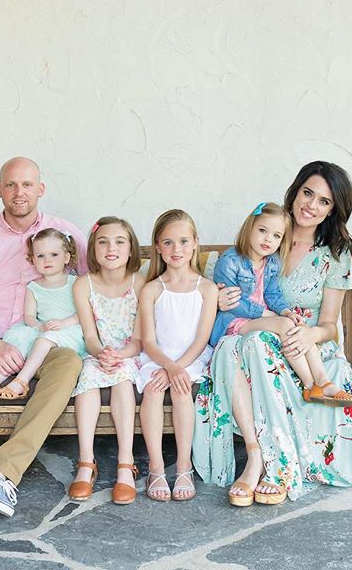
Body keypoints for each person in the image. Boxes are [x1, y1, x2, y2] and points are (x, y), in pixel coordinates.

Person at [193, 161, 352, 507]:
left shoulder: (334, 255)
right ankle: (263, 460)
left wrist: (310, 335)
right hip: (254, 338)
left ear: (332, 210)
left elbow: (330, 326)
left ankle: (273, 460)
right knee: (248, 343)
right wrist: (216, 299)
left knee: (256, 343)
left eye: (324, 201)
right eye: (307, 193)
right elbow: (230, 287)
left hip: (304, 345)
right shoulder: (269, 234)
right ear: (295, 192)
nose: (311, 205)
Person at [0, 157, 87, 530]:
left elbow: (92, 288)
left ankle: (3, 473)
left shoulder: (66, 234)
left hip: (47, 339)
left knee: (69, 364)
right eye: (10, 184)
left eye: (27, 184)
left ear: (41, 189)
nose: (19, 192)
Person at [210, 202, 352, 420]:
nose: (268, 239)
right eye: (262, 231)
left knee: (298, 326)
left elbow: (273, 294)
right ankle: (310, 385)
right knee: (284, 325)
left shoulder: (271, 263)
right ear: (249, 228)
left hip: (256, 320)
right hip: (233, 322)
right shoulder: (230, 261)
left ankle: (323, 382)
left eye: (276, 236)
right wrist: (268, 314)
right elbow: (235, 303)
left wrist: (287, 312)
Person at [137, 209, 217, 502]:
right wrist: (167, 366)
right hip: (158, 358)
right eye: (168, 242)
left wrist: (176, 368)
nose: (176, 249)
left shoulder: (206, 289)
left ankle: (184, 467)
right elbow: (148, 340)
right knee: (153, 391)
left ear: (195, 243)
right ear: (158, 247)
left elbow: (201, 339)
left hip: (191, 358)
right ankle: (156, 468)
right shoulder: (151, 289)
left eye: (183, 241)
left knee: (182, 391)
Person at [69, 217, 145, 505]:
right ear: (93, 249)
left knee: (123, 380)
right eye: (103, 242)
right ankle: (86, 462)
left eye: (119, 242)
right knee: (87, 379)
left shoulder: (140, 282)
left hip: (130, 353)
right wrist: (102, 353)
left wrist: (120, 355)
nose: (111, 248)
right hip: (97, 353)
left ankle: (126, 463)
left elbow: (139, 339)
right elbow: (90, 335)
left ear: (131, 249)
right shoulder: (83, 285)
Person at [0, 229, 87, 401]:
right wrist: (39, 326)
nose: (47, 260)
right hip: (44, 328)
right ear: (33, 260)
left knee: (44, 340)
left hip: (71, 329)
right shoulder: (33, 287)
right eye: (41, 256)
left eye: (54, 254)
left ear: (66, 257)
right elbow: (29, 316)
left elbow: (86, 312)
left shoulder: (77, 282)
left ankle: (21, 382)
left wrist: (64, 323)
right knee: (19, 342)